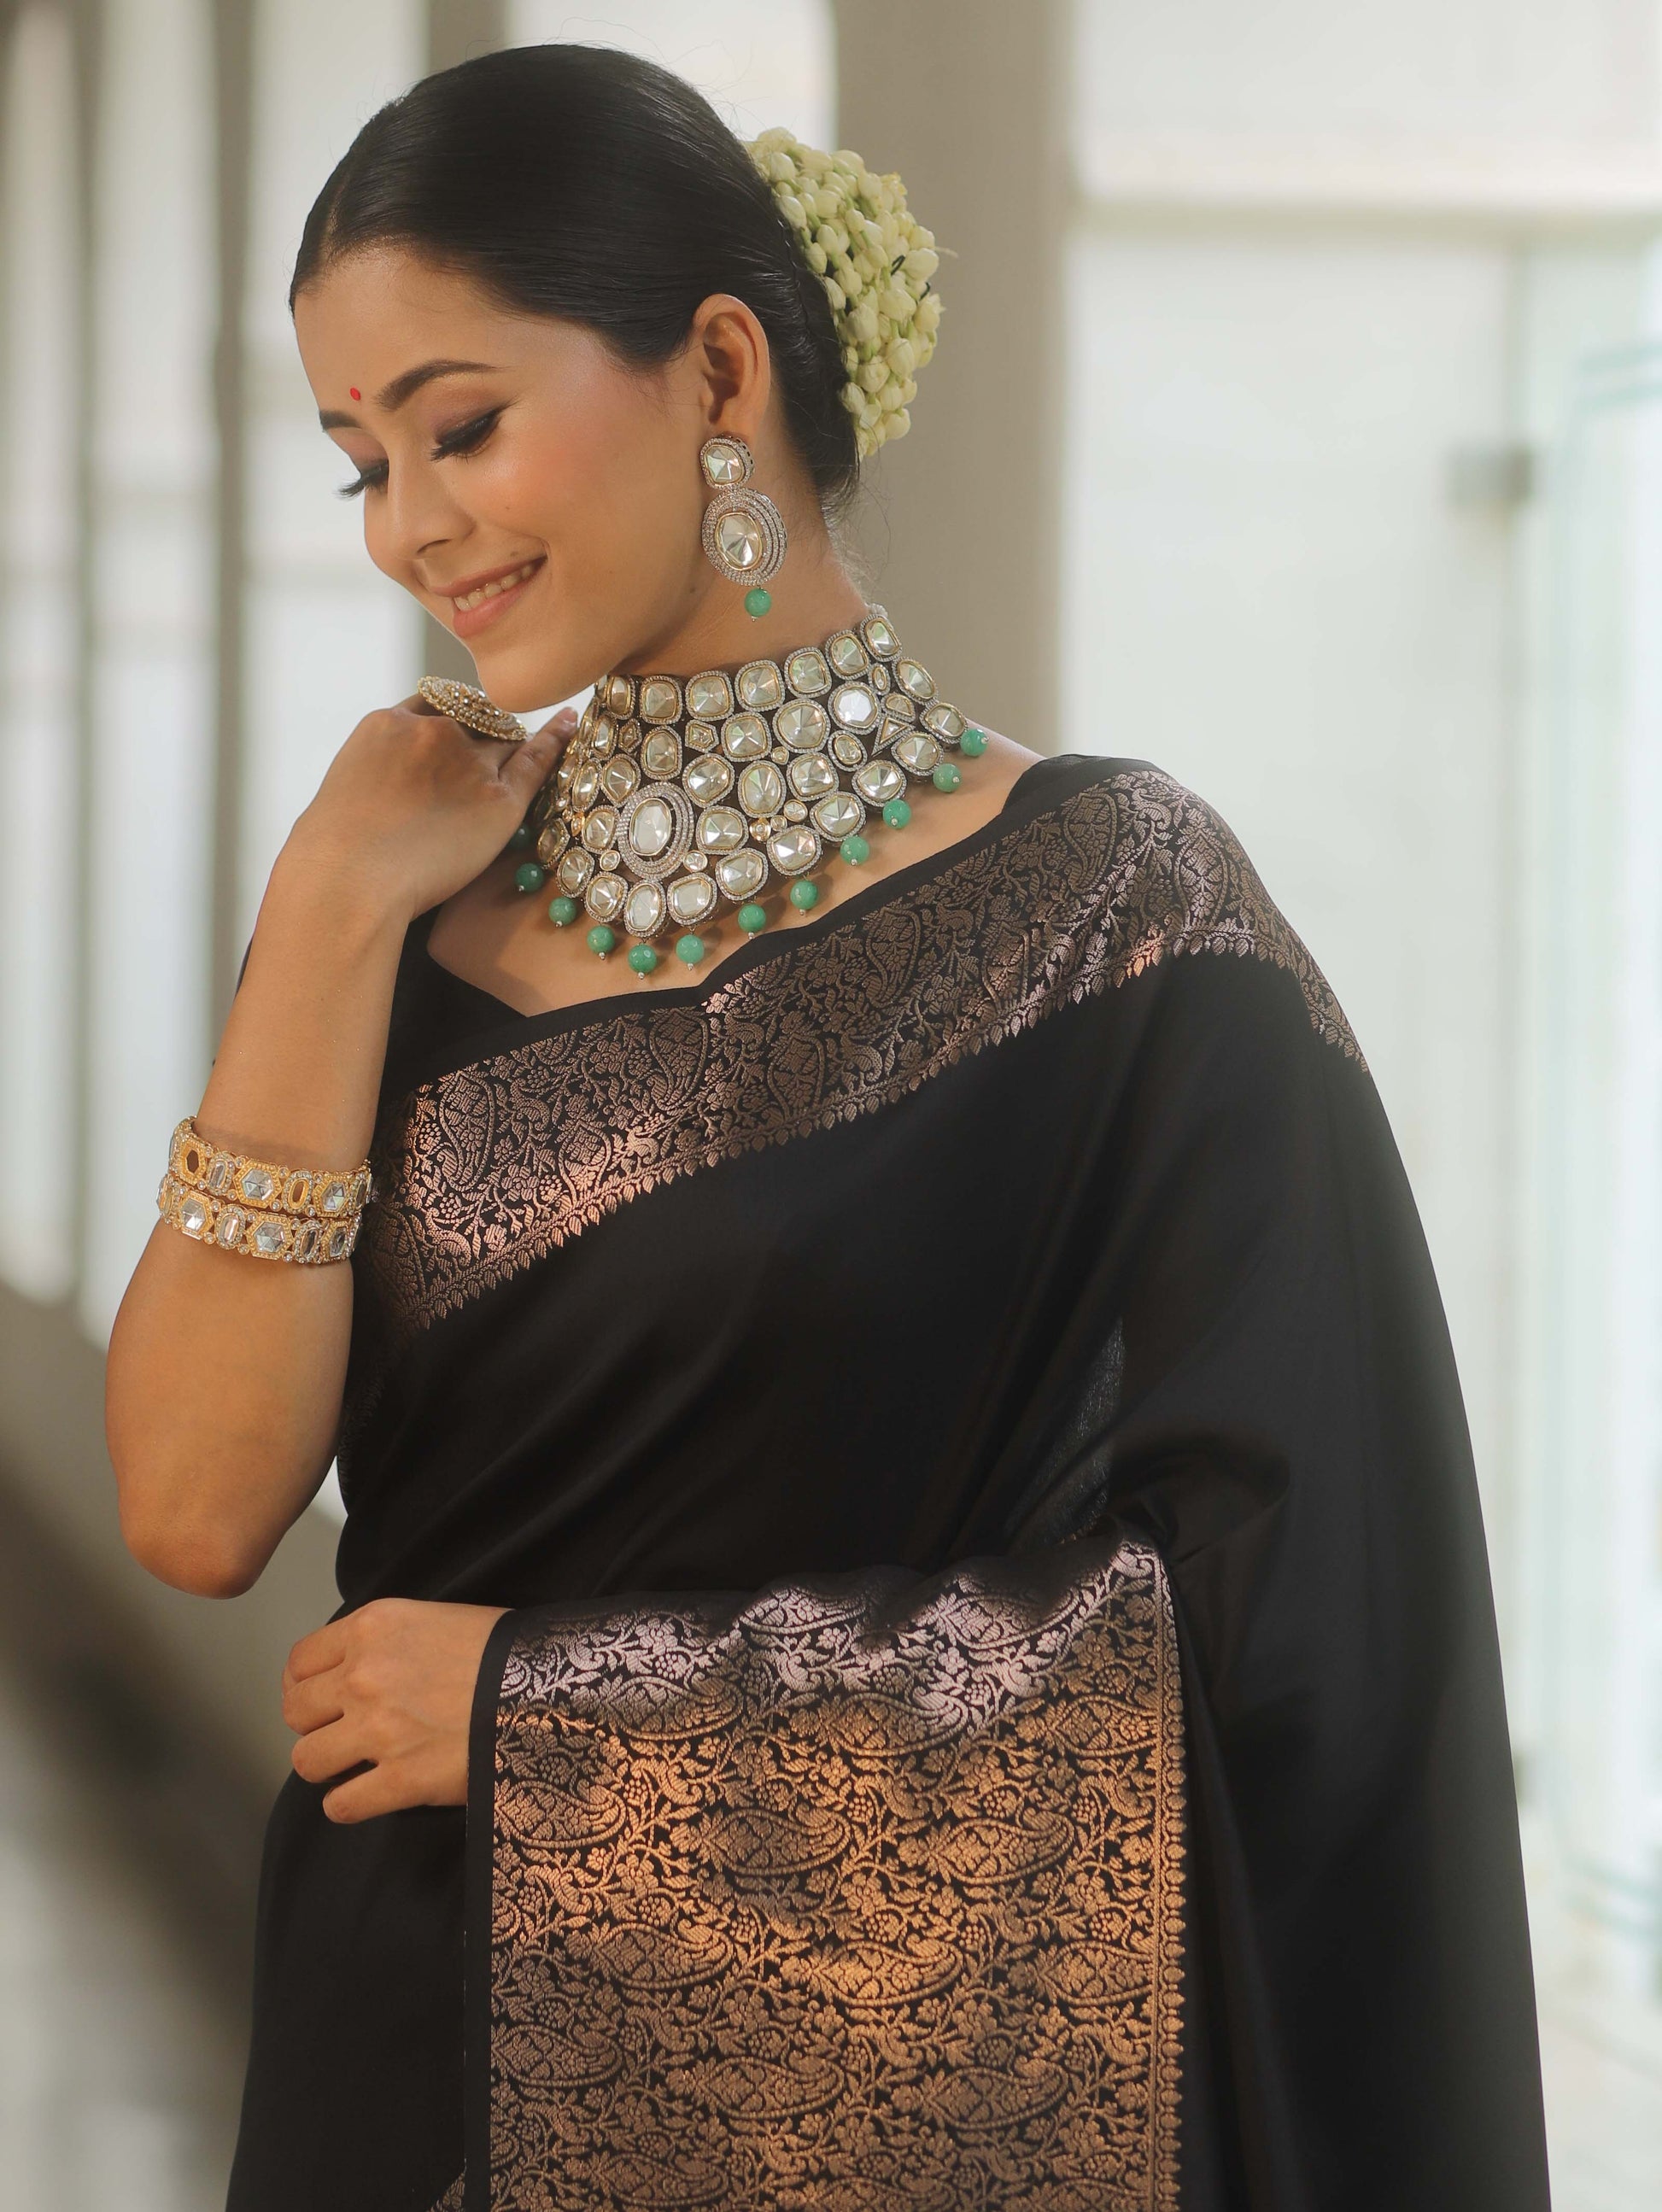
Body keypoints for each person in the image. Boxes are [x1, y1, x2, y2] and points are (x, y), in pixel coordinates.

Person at [104, 43, 1550, 2212]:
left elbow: (1297, 1631)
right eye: (358, 465)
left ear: (714, 367)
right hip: (407, 2050)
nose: (414, 527)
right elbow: (202, 1508)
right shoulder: (390, 910)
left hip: (891, 2104)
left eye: (461, 425)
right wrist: (320, 910)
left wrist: (563, 1709)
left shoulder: (1114, 918)